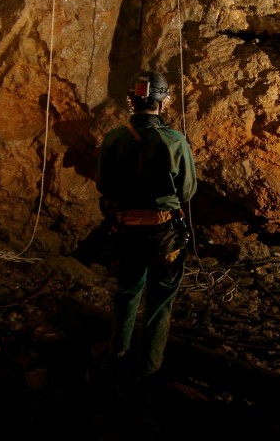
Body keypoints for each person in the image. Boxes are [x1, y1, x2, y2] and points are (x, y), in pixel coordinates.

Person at [95, 70, 197, 381]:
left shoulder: (113, 138)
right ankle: (149, 368)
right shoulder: (175, 140)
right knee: (159, 301)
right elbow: (187, 190)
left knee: (127, 291)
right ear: (161, 102)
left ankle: (118, 353)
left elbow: (103, 186)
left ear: (133, 101)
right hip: (163, 233)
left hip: (126, 231)